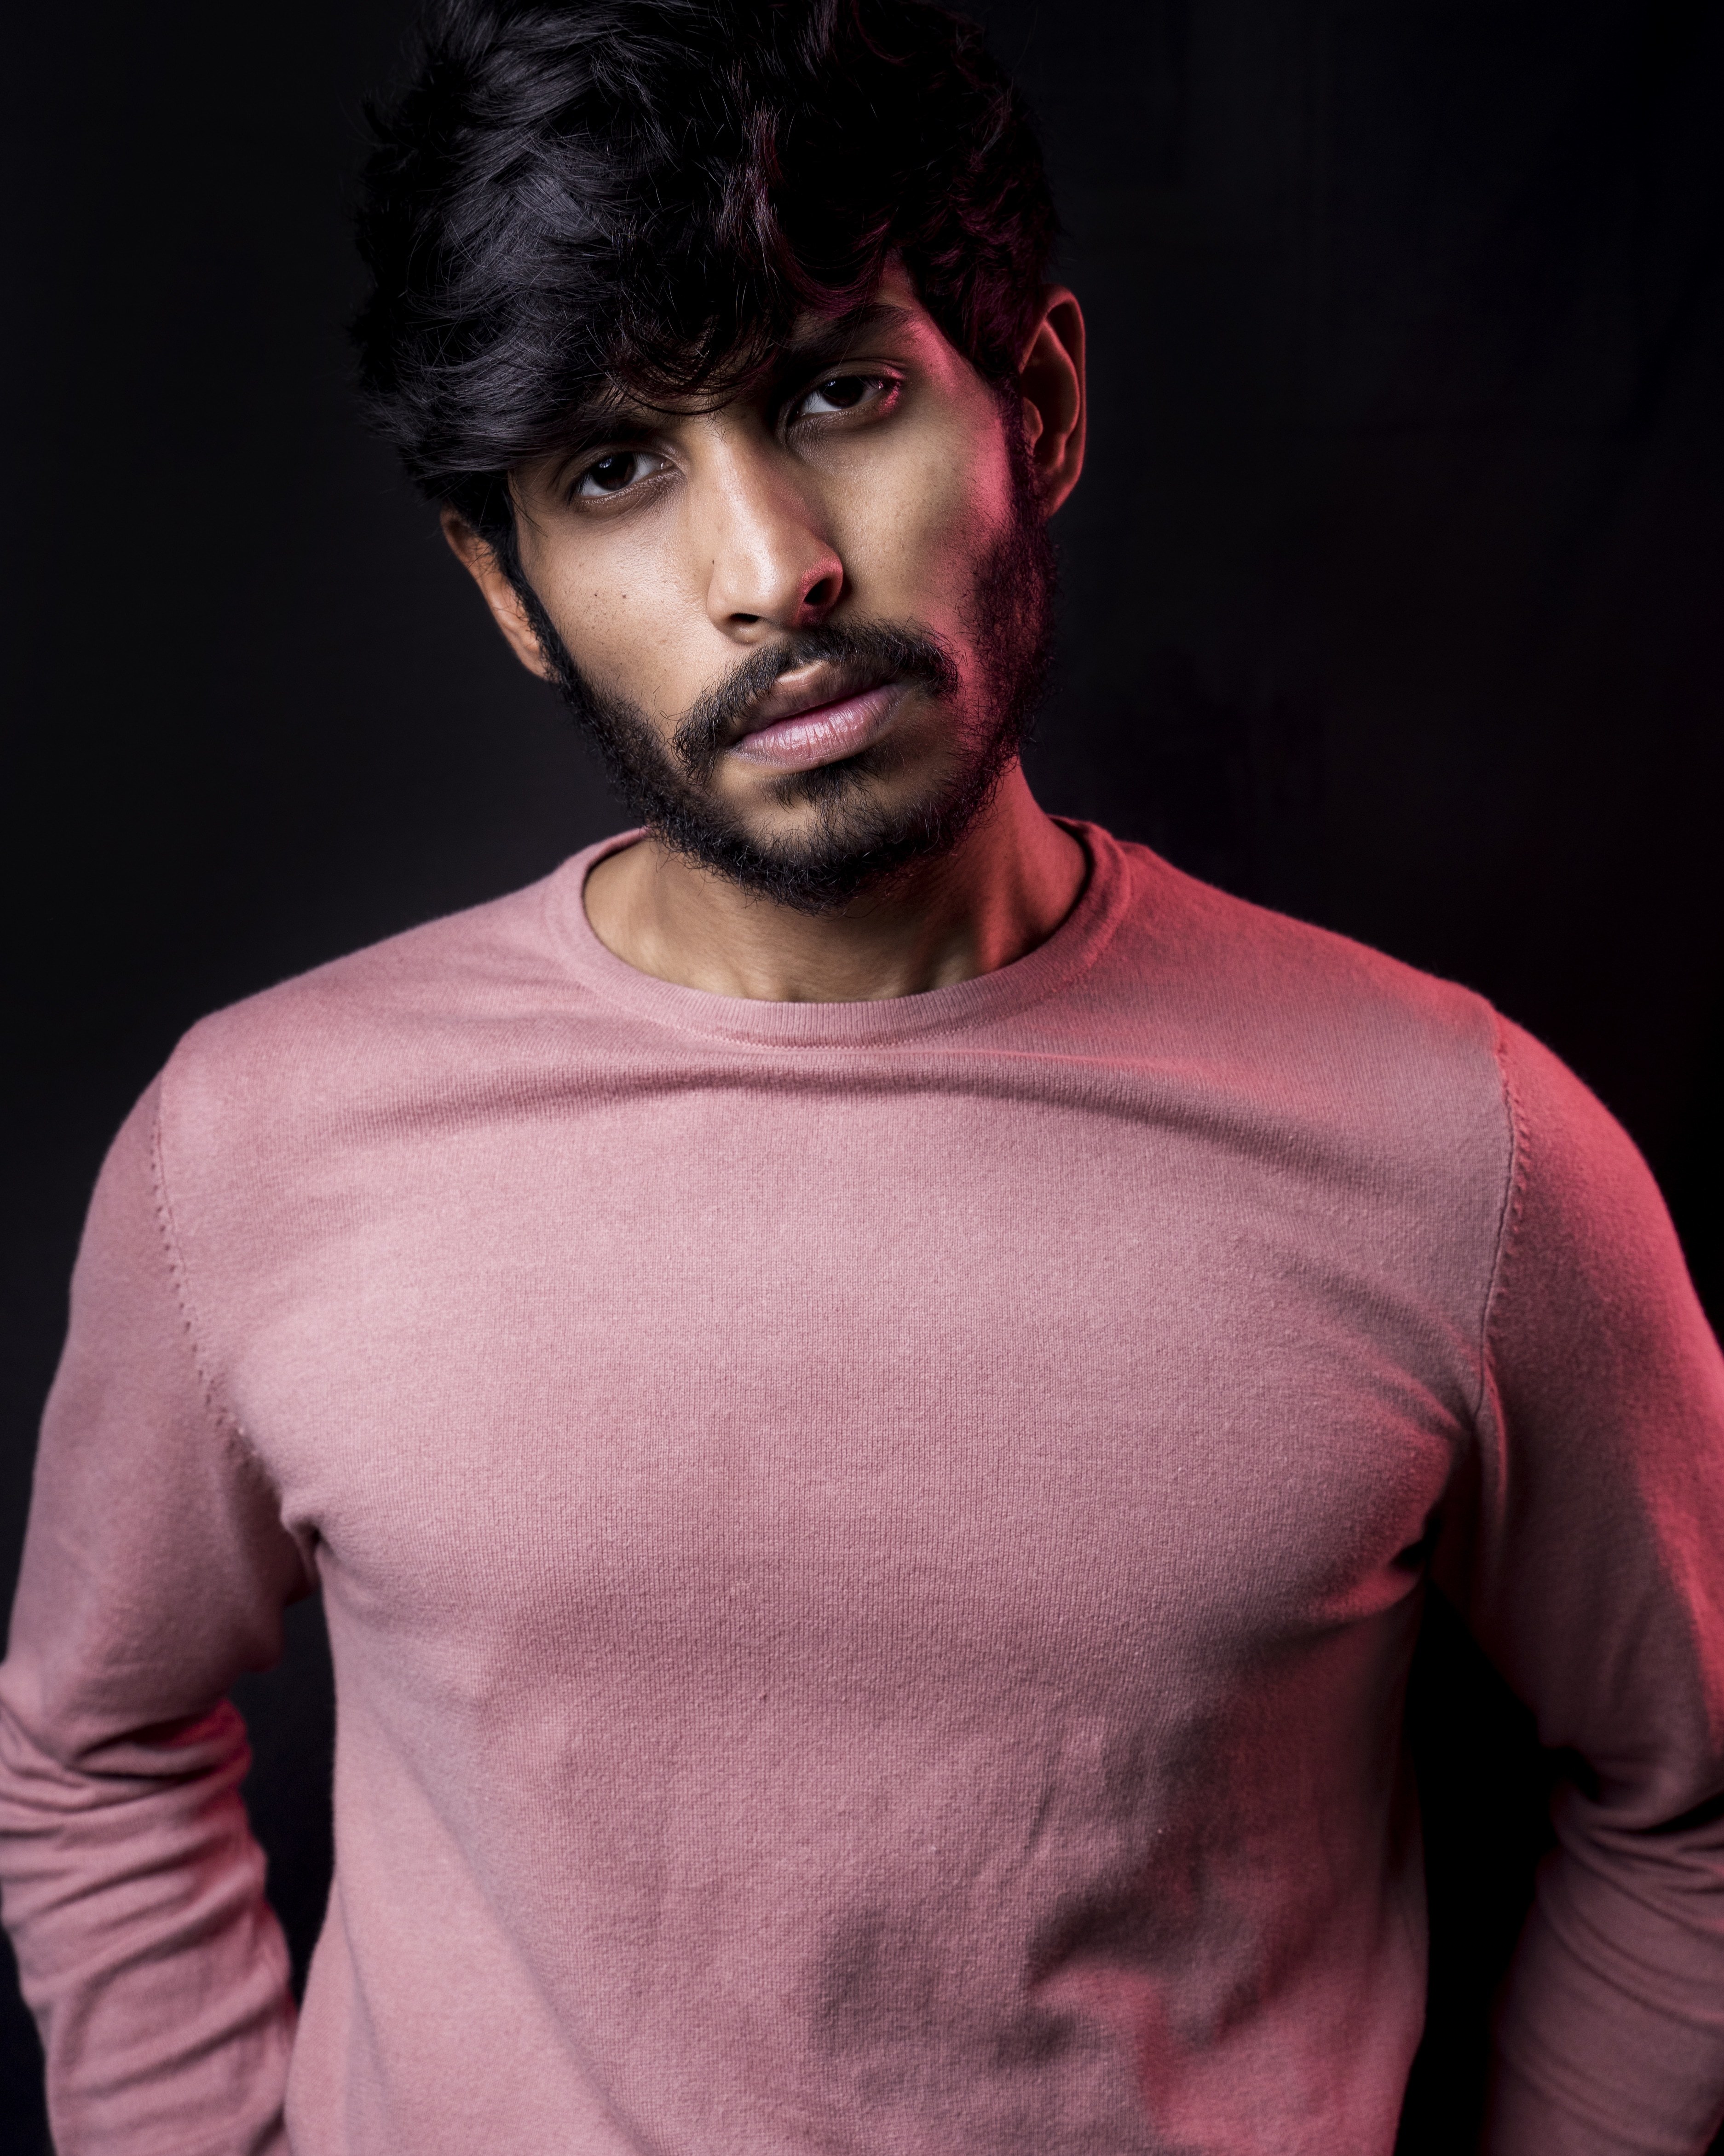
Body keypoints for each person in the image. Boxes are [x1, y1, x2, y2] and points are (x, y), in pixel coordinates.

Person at [2, 0, 1721, 2149]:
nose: (771, 571)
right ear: (508, 589)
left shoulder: (1460, 1145)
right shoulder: (259, 1146)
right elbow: (91, 1743)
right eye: (612, 469)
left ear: (1040, 406)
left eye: (837, 391)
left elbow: (1690, 1793)